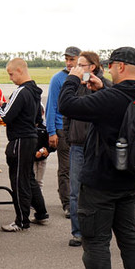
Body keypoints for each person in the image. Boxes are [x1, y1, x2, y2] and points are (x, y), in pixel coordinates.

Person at [59, 46, 135, 269]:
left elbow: (67, 105)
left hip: (101, 181)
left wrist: (74, 77)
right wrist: (102, 88)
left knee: (96, 240)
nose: (108, 68)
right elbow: (115, 108)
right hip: (129, 180)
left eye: (111, 65)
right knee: (128, 236)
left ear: (120, 67)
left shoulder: (113, 98)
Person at [64, 51, 111, 248]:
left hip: (98, 146)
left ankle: (100, 231)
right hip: (77, 145)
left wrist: (99, 87)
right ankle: (78, 232)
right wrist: (67, 134)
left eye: (81, 65)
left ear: (92, 67)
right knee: (75, 191)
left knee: (99, 191)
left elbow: (111, 103)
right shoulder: (75, 83)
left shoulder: (105, 85)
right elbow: (66, 110)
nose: (75, 68)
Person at [0, 58, 49, 232]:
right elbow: (37, 119)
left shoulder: (20, 92)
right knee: (29, 178)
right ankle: (41, 213)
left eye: (11, 74)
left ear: (20, 70)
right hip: (31, 139)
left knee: (19, 181)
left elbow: (5, 116)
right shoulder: (36, 92)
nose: (11, 78)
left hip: (19, 140)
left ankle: (21, 221)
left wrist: (1, 105)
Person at [46, 46, 81, 218]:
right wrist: (51, 131)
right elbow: (51, 105)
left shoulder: (85, 77)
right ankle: (67, 203)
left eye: (72, 59)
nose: (68, 62)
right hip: (62, 130)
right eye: (66, 59)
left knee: (82, 167)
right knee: (66, 168)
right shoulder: (57, 79)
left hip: (82, 129)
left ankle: (80, 200)